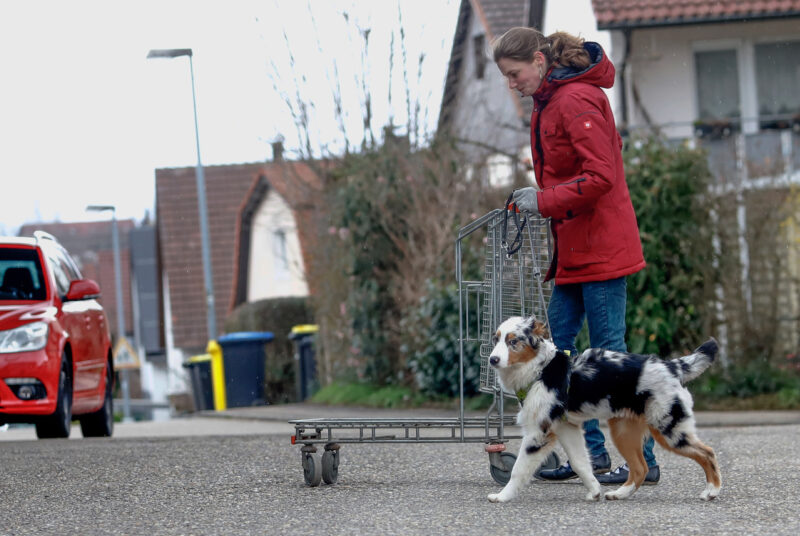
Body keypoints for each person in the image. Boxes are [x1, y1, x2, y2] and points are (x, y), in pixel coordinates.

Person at [492, 27, 659, 485]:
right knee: (554, 354)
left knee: (610, 358)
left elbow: (601, 176)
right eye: (506, 76)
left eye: (514, 73)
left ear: (540, 61)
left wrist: (542, 201)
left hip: (602, 247)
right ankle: (591, 459)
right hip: (573, 250)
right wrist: (543, 201)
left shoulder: (573, 100)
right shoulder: (549, 100)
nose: (512, 83)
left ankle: (641, 463)